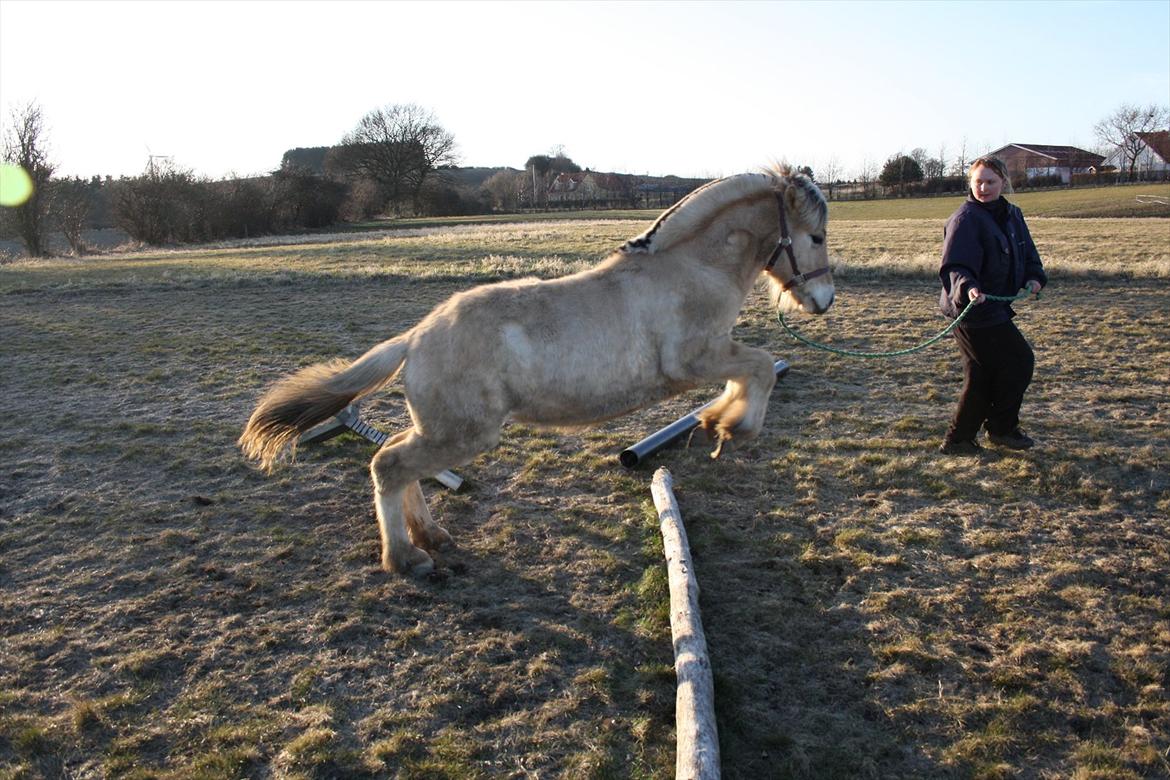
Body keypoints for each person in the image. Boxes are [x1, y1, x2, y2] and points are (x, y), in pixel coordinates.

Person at [938, 156, 1046, 455]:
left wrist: (1035, 278)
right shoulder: (965, 219)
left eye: (990, 182)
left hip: (995, 307)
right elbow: (955, 266)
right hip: (970, 310)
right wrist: (969, 288)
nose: (983, 188)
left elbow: (1028, 255)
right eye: (978, 182)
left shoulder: (1013, 215)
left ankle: (961, 439)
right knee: (1019, 361)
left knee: (982, 374)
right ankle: (1000, 427)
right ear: (970, 184)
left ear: (1003, 183)